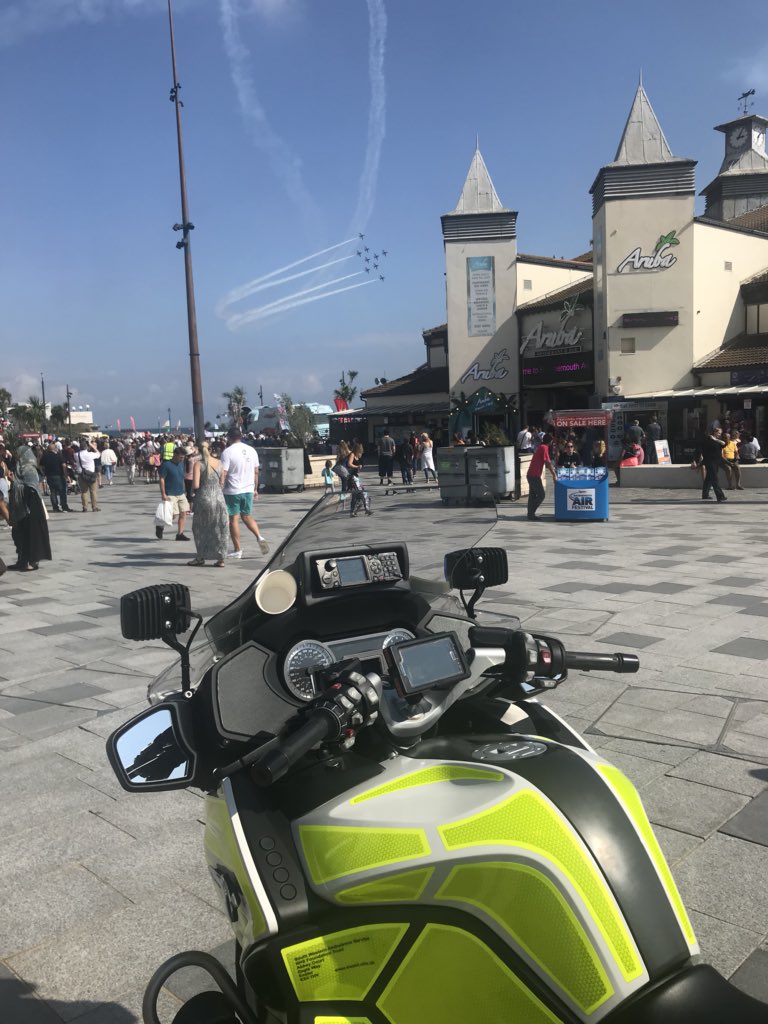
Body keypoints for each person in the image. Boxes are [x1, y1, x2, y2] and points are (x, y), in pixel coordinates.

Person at [220, 427, 268, 558]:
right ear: (241, 436)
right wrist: (255, 489)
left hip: (233, 490)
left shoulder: (227, 452)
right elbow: (256, 471)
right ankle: (259, 536)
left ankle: (237, 550)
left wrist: (220, 487)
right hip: (248, 489)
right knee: (247, 516)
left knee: (233, 519)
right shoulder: (252, 450)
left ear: (229, 438)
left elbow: (223, 472)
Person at [8, 445, 51, 571]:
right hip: (22, 507)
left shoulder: (29, 469)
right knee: (19, 534)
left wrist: (14, 481)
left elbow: (30, 487)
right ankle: (22, 559)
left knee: (32, 534)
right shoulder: (20, 468)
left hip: (31, 506)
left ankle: (33, 562)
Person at [188, 442, 228, 567]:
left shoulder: (198, 464)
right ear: (210, 450)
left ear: (198, 451)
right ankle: (221, 559)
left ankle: (200, 557)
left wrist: (191, 493)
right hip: (219, 498)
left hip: (204, 498)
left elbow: (196, 485)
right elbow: (222, 483)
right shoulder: (220, 463)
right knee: (220, 527)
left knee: (199, 528)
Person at [157, 447, 191, 541]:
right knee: (172, 515)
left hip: (181, 492)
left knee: (183, 513)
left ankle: (180, 534)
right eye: (180, 457)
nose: (182, 459)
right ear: (175, 455)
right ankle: (160, 526)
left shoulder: (181, 464)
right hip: (170, 493)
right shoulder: (166, 465)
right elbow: (162, 479)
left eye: (183, 457)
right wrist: (163, 494)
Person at [526, 431, 557, 521]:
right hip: (534, 475)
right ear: (550, 441)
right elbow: (548, 462)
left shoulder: (541, 447)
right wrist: (554, 474)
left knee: (532, 495)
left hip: (531, 474)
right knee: (541, 495)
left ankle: (530, 515)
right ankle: (531, 513)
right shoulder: (544, 448)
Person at [693, 428, 727, 503]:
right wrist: (695, 461)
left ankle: (705, 494)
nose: (719, 435)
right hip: (710, 462)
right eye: (718, 433)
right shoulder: (706, 441)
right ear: (714, 432)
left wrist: (715, 439)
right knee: (714, 479)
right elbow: (698, 451)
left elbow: (724, 444)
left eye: (720, 433)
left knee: (709, 478)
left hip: (716, 462)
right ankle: (720, 496)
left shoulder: (717, 441)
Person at [40, 441, 71, 512]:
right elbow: (63, 465)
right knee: (62, 492)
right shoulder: (59, 456)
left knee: (53, 492)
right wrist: (65, 474)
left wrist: (43, 473)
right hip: (59, 476)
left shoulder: (45, 456)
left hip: (50, 476)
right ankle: (64, 506)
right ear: (55, 449)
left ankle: (55, 507)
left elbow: (40, 466)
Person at [75, 440, 101, 512]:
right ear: (87, 447)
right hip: (91, 474)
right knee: (93, 491)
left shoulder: (76, 455)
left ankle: (85, 507)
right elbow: (99, 454)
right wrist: (93, 446)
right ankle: (94, 507)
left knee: (84, 492)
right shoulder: (90, 454)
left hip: (81, 474)